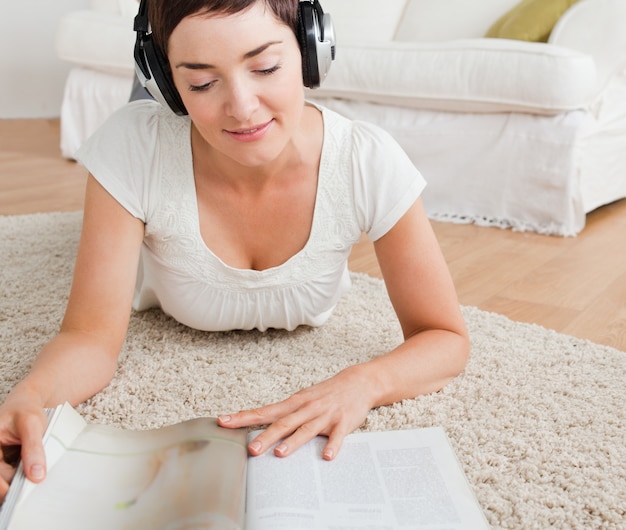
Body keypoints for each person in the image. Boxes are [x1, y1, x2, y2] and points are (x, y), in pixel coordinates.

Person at [0, 0, 470, 502]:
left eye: (266, 67)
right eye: (202, 83)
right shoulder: (133, 147)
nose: (243, 108)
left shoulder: (366, 159)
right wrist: (28, 397)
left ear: (312, 52)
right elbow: (89, 338)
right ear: (166, 80)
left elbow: (444, 336)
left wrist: (364, 383)